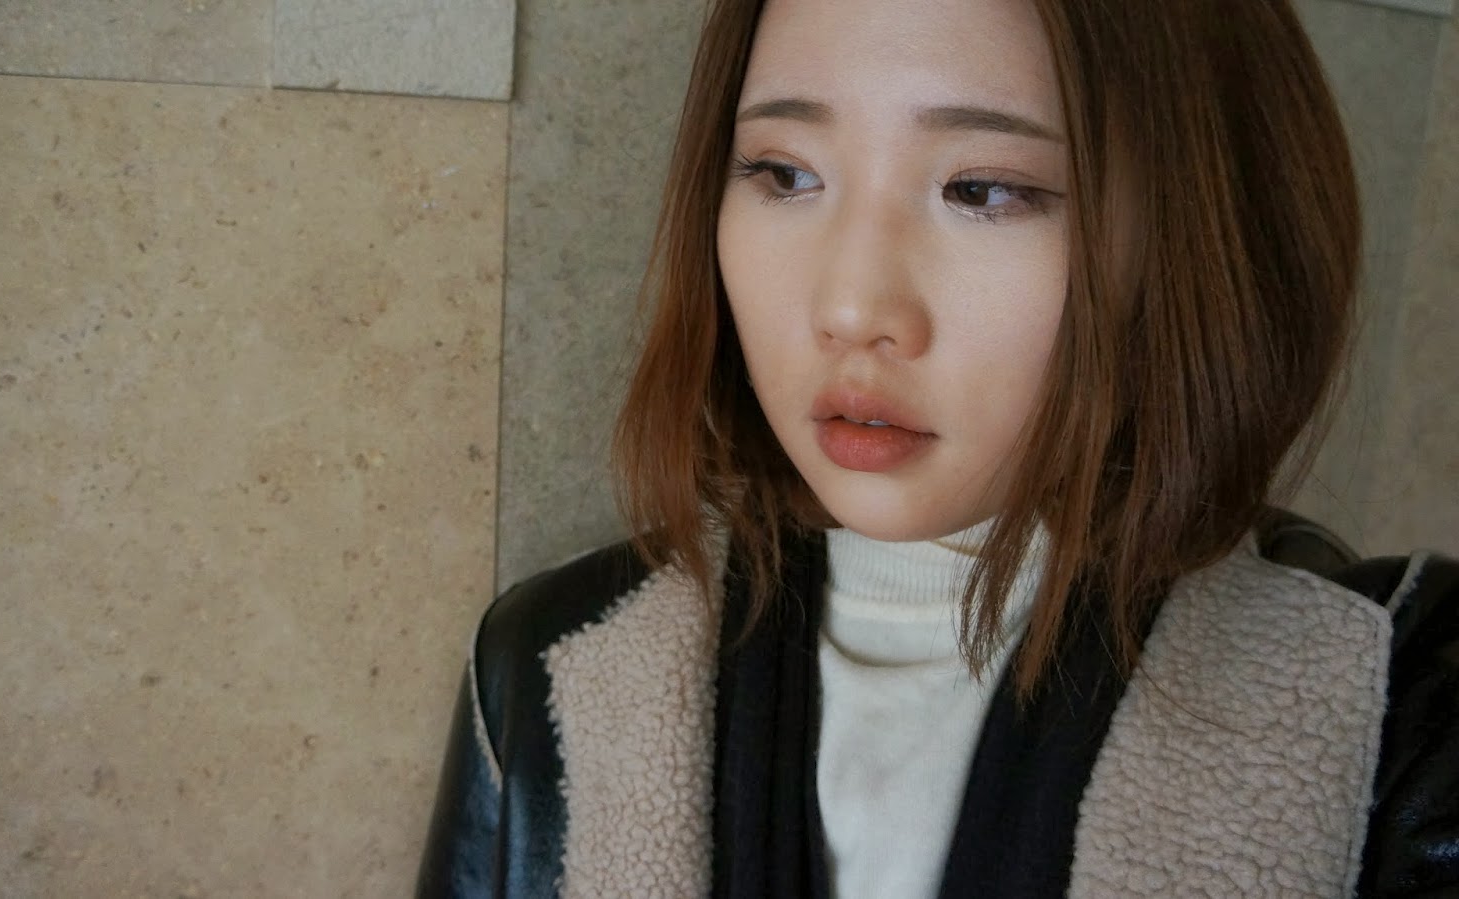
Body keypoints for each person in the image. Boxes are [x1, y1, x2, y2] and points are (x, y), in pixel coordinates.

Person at [418, 0, 1459, 894]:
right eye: (783, 172)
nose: (850, 307)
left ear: (1201, 224)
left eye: (982, 189)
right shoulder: (547, 667)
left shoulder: (1398, 702)